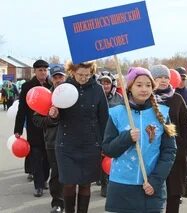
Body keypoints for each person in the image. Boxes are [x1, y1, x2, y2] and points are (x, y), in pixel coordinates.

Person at [102, 67, 177, 213]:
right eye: (139, 85)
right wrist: (126, 138)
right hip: (122, 187)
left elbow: (170, 150)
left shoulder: (164, 112)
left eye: (148, 85)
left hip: (150, 187)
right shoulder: (116, 113)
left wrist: (155, 180)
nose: (144, 89)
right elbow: (108, 149)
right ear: (130, 87)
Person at [49, 61, 108, 213]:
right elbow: (55, 116)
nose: (83, 78)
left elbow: (104, 119)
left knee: (85, 184)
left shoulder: (98, 89)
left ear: (92, 72)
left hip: (90, 145)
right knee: (68, 183)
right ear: (72, 71)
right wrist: (54, 114)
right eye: (80, 74)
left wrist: (104, 144)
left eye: (87, 75)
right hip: (66, 145)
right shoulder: (63, 88)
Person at [150, 64, 187, 213]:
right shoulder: (146, 98)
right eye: (159, 77)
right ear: (152, 79)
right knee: (152, 191)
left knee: (173, 192)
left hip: (174, 153)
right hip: (152, 153)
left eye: (166, 77)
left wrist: (182, 146)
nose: (163, 80)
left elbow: (186, 125)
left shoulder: (177, 98)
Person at [14, 59, 51, 197]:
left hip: (49, 127)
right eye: (40, 70)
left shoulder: (51, 85)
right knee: (36, 156)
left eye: (45, 70)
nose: (43, 72)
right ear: (34, 71)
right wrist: (18, 129)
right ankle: (38, 185)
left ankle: (44, 179)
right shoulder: (28, 86)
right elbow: (22, 109)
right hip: (34, 127)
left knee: (47, 157)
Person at [33, 66, 66, 213]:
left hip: (73, 141)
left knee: (72, 173)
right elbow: (37, 120)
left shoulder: (75, 94)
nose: (58, 80)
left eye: (61, 77)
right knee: (57, 173)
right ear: (51, 78)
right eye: (55, 77)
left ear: (65, 77)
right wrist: (50, 118)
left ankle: (70, 202)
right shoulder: (46, 96)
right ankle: (57, 203)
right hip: (53, 142)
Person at [97, 71, 123, 197]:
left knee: (112, 158)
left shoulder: (119, 98)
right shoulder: (96, 97)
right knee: (102, 158)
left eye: (107, 82)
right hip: (100, 132)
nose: (105, 85)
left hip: (115, 133)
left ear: (112, 84)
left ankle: (112, 183)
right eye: (102, 82)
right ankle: (104, 183)